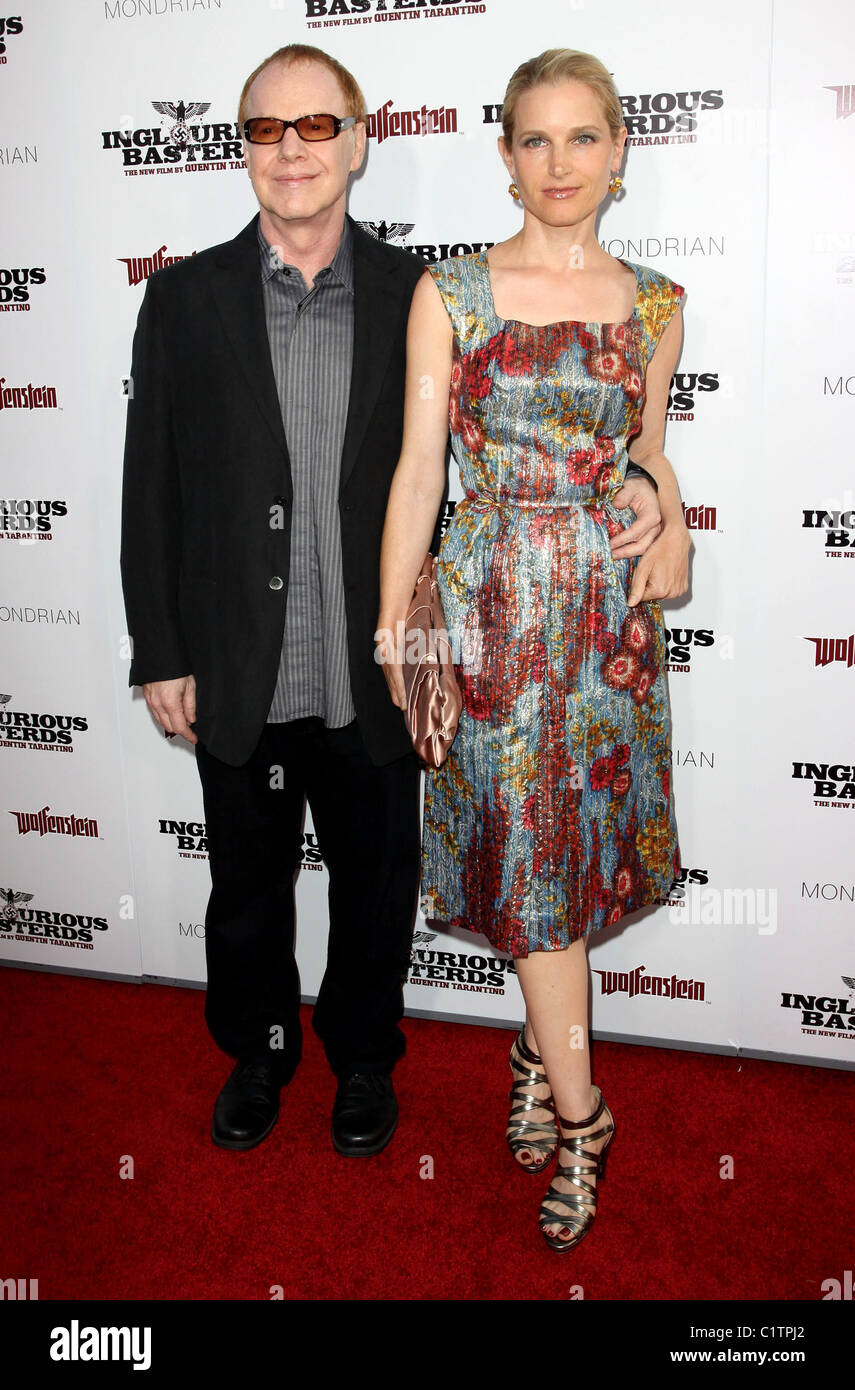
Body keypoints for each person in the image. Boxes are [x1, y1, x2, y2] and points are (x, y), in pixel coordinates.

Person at [377, 48, 690, 1247]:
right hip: (489, 612)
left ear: (620, 154)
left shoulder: (656, 304)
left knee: (559, 875)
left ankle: (537, 1058)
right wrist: (401, 625)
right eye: (535, 140)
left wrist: (670, 515)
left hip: (607, 631)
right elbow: (417, 476)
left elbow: (649, 455)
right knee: (527, 871)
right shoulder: (449, 293)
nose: (559, 165)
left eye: (584, 139)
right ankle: (585, 1115)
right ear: (505, 154)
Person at [120, 44, 431, 1159]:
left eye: (315, 125)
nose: (290, 149)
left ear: (358, 139)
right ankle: (257, 1051)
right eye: (264, 129)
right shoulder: (183, 299)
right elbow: (148, 484)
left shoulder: (420, 297)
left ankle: (360, 1057)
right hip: (241, 661)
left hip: (373, 666)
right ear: (243, 147)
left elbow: (475, 468)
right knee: (246, 891)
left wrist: (647, 481)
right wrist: (162, 646)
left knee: (375, 885)